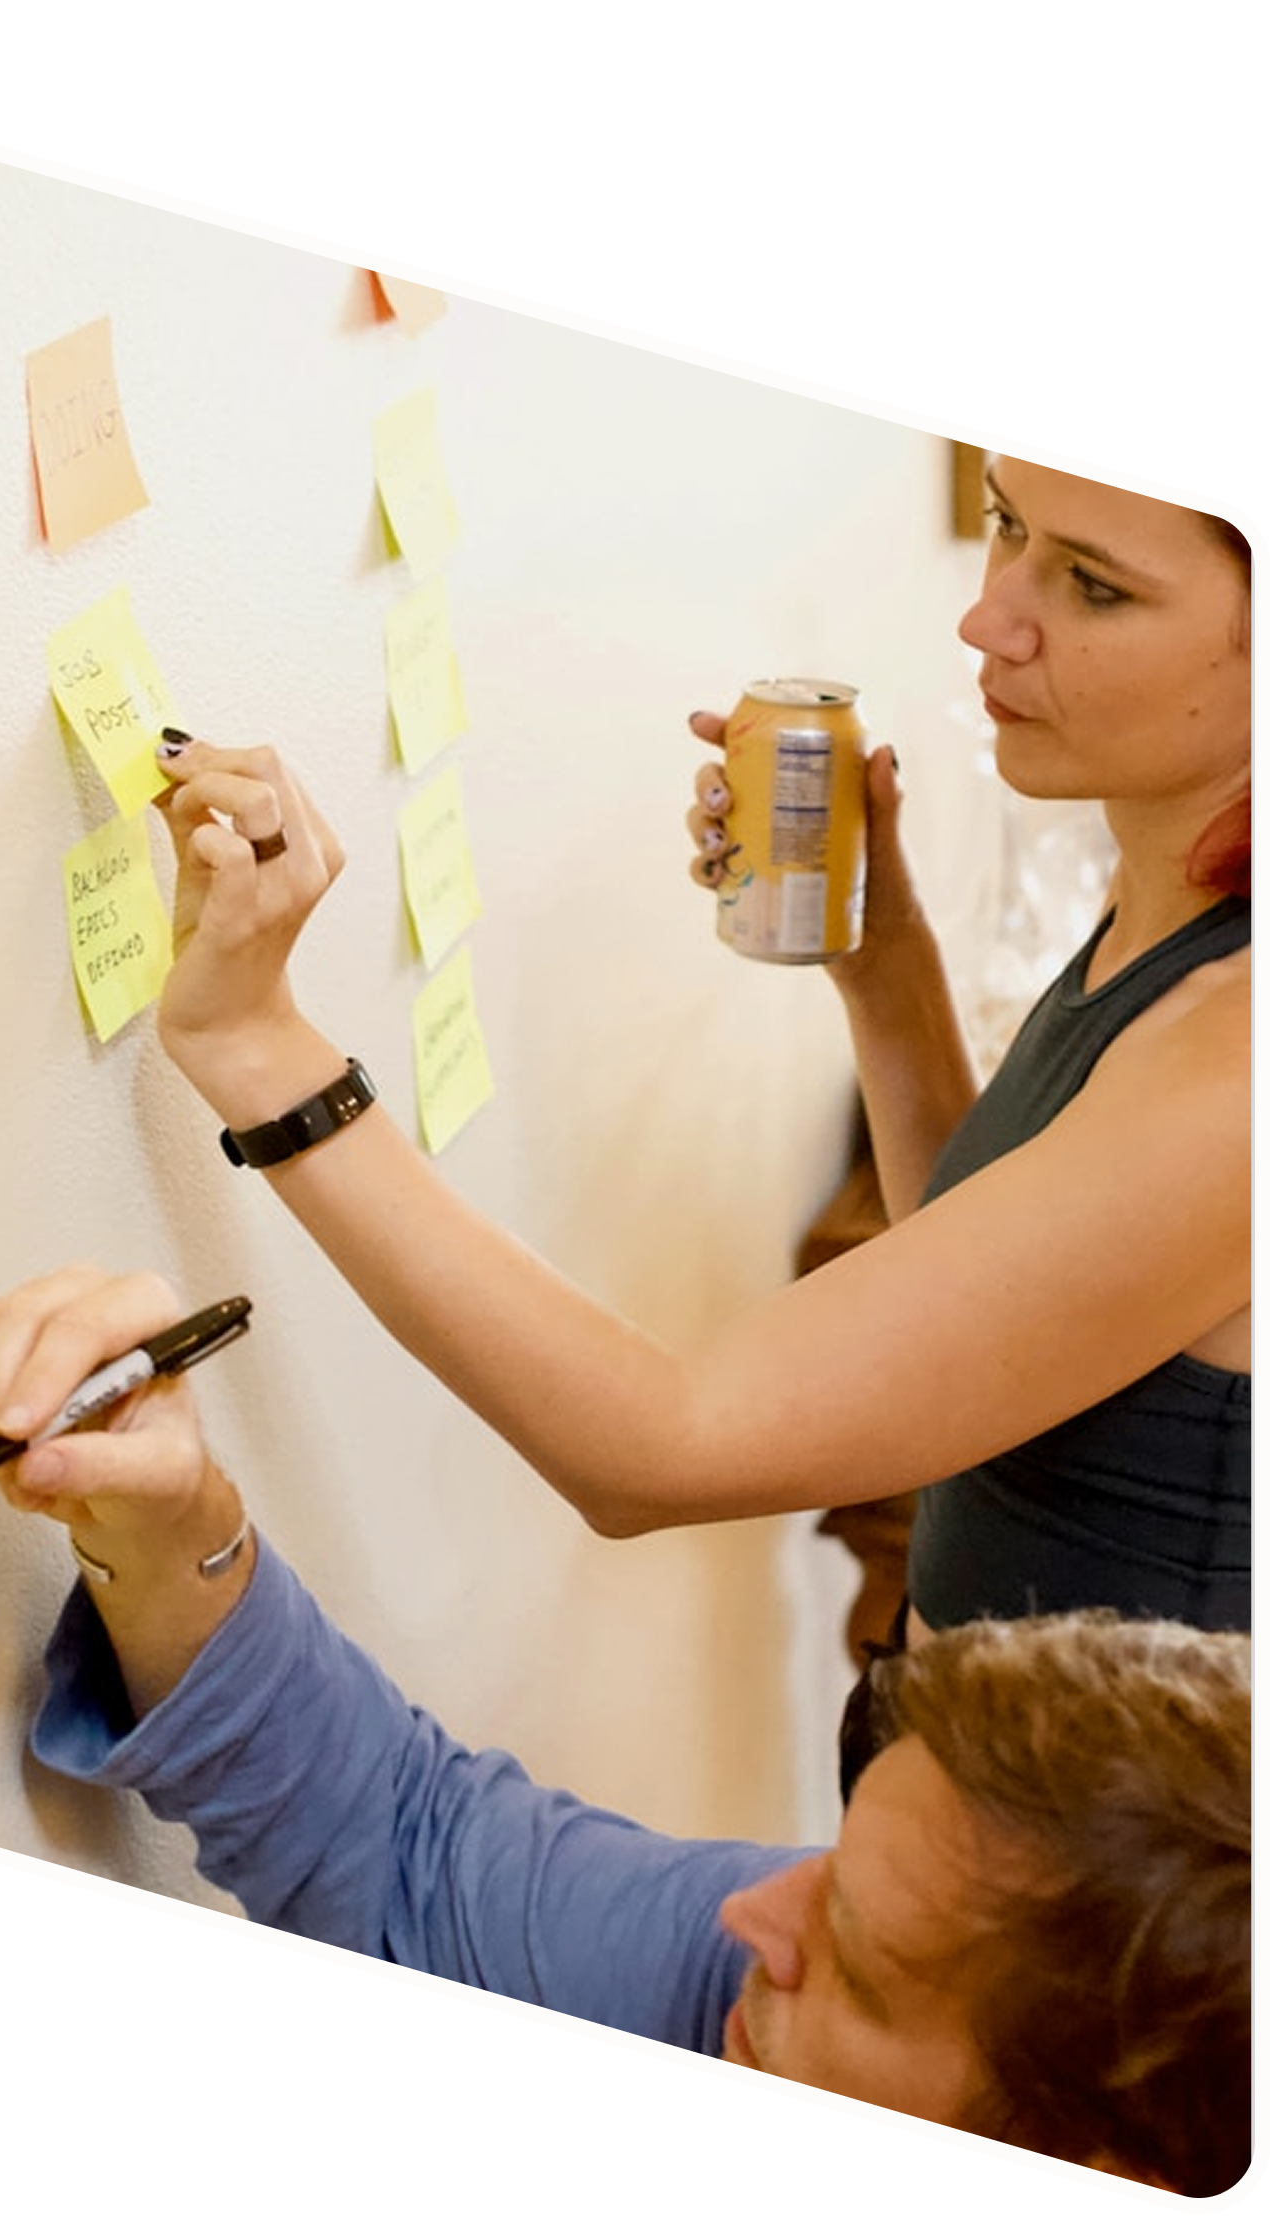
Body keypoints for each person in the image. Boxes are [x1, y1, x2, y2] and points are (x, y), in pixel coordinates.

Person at [145, 459, 1249, 1654]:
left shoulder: (1237, 1058)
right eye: (1007, 523)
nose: (986, 617)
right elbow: (998, 1305)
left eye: (1093, 586)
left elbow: (653, 1450)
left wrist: (259, 1045)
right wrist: (880, 958)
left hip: (1070, 1784)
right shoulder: (1170, 893)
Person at [0, 1265, 1251, 2197]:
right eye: (830, 1860)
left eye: (854, 1967)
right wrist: (176, 1526)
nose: (752, 1914)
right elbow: (408, 1855)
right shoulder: (771, 1963)